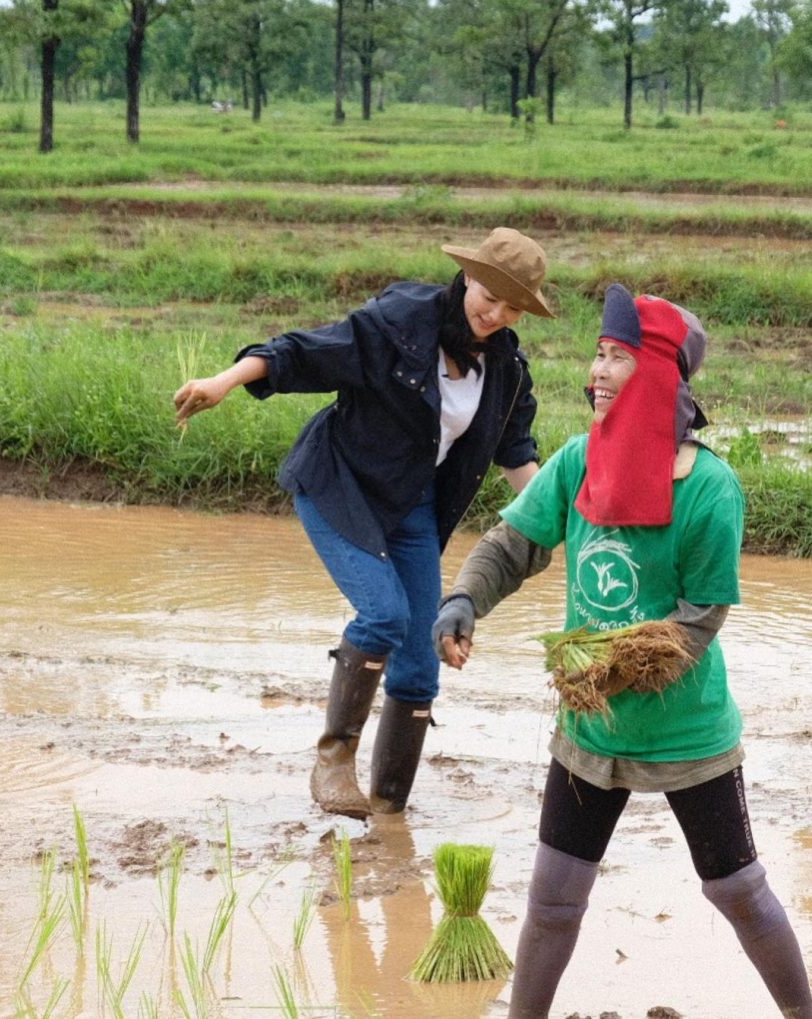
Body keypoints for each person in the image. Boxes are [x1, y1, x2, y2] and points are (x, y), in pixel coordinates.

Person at [432, 283, 812, 1019]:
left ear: (662, 375)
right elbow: (514, 545)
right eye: (598, 355)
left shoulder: (710, 490)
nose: (597, 371)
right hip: (589, 733)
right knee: (552, 901)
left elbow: (700, 619)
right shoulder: (577, 461)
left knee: (735, 889)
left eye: (618, 357)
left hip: (687, 732)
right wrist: (463, 599)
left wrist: (608, 667)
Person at [174, 227, 554, 821]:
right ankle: (333, 761)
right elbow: (303, 351)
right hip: (340, 485)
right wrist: (223, 382)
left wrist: (560, 523)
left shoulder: (505, 369)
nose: (494, 313)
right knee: (386, 616)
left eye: (511, 306)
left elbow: (515, 451)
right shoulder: (401, 323)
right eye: (488, 294)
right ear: (467, 277)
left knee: (421, 663)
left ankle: (389, 810)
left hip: (413, 505)